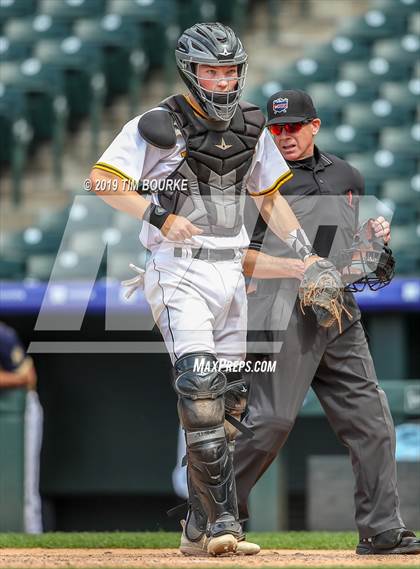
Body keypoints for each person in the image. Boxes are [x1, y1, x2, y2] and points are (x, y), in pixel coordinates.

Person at [89, 24, 322, 556]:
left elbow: (268, 197)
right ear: (191, 72)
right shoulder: (160, 121)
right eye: (212, 71)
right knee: (199, 388)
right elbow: (103, 180)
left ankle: (197, 526)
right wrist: (157, 214)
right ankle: (223, 525)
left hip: (232, 268)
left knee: (232, 404)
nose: (222, 81)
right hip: (178, 267)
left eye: (230, 70)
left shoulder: (253, 125)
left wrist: (305, 250)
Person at [232, 89, 420, 555]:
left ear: (313, 126)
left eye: (292, 127)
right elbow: (240, 260)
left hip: (337, 312)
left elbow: (341, 254)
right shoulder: (258, 183)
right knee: (270, 422)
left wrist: (367, 249)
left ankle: (381, 530)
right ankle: (213, 512)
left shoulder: (346, 175)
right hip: (278, 312)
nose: (284, 136)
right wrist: (299, 268)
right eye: (275, 129)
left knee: (372, 422)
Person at [0, 322, 43, 534]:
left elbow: (28, 377)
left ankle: (34, 549)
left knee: (25, 488)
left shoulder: (4, 335)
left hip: (21, 412)